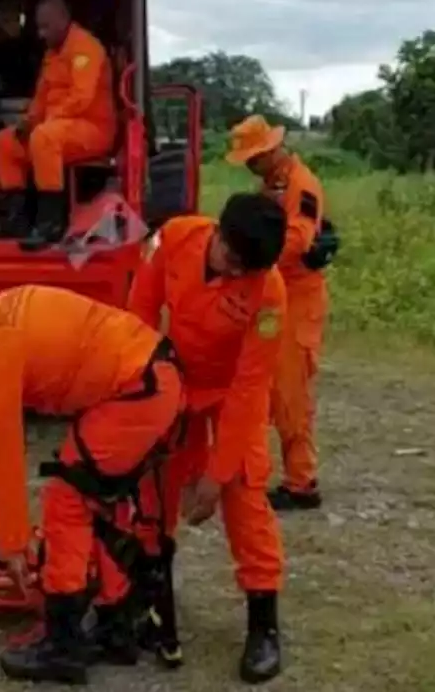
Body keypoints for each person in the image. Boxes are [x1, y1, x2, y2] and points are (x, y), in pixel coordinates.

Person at [0, 285, 186, 686]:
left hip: (139, 390)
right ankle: (115, 621)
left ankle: (64, 643)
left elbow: (3, 455)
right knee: (94, 496)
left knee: (67, 499)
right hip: (151, 378)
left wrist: (11, 545)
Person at [126, 193, 288, 684]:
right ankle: (148, 603)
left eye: (247, 270)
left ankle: (264, 625)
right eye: (231, 261)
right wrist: (139, 393)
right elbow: (138, 318)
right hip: (174, 381)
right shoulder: (174, 238)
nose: (236, 273)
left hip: (230, 395)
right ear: (216, 232)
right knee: (156, 490)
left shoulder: (269, 294)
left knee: (245, 495)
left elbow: (250, 387)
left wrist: (216, 477)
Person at [225, 115, 331, 511]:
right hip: (275, 293)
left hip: (299, 298)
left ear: (270, 151)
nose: (250, 165)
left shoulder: (301, 185)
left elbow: (298, 240)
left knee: (290, 392)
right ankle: (258, 470)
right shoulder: (272, 185)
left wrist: (254, 256)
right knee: (259, 383)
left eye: (253, 157)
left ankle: (302, 483)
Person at [0, 0, 117, 248]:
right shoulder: (52, 54)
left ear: (63, 19)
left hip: (93, 128)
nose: (41, 34)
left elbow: (81, 99)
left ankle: (50, 225)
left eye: (45, 26)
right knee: (6, 141)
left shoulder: (86, 48)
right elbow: (41, 97)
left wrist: (45, 123)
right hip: (58, 126)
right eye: (38, 27)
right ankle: (15, 221)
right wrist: (27, 122)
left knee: (44, 138)